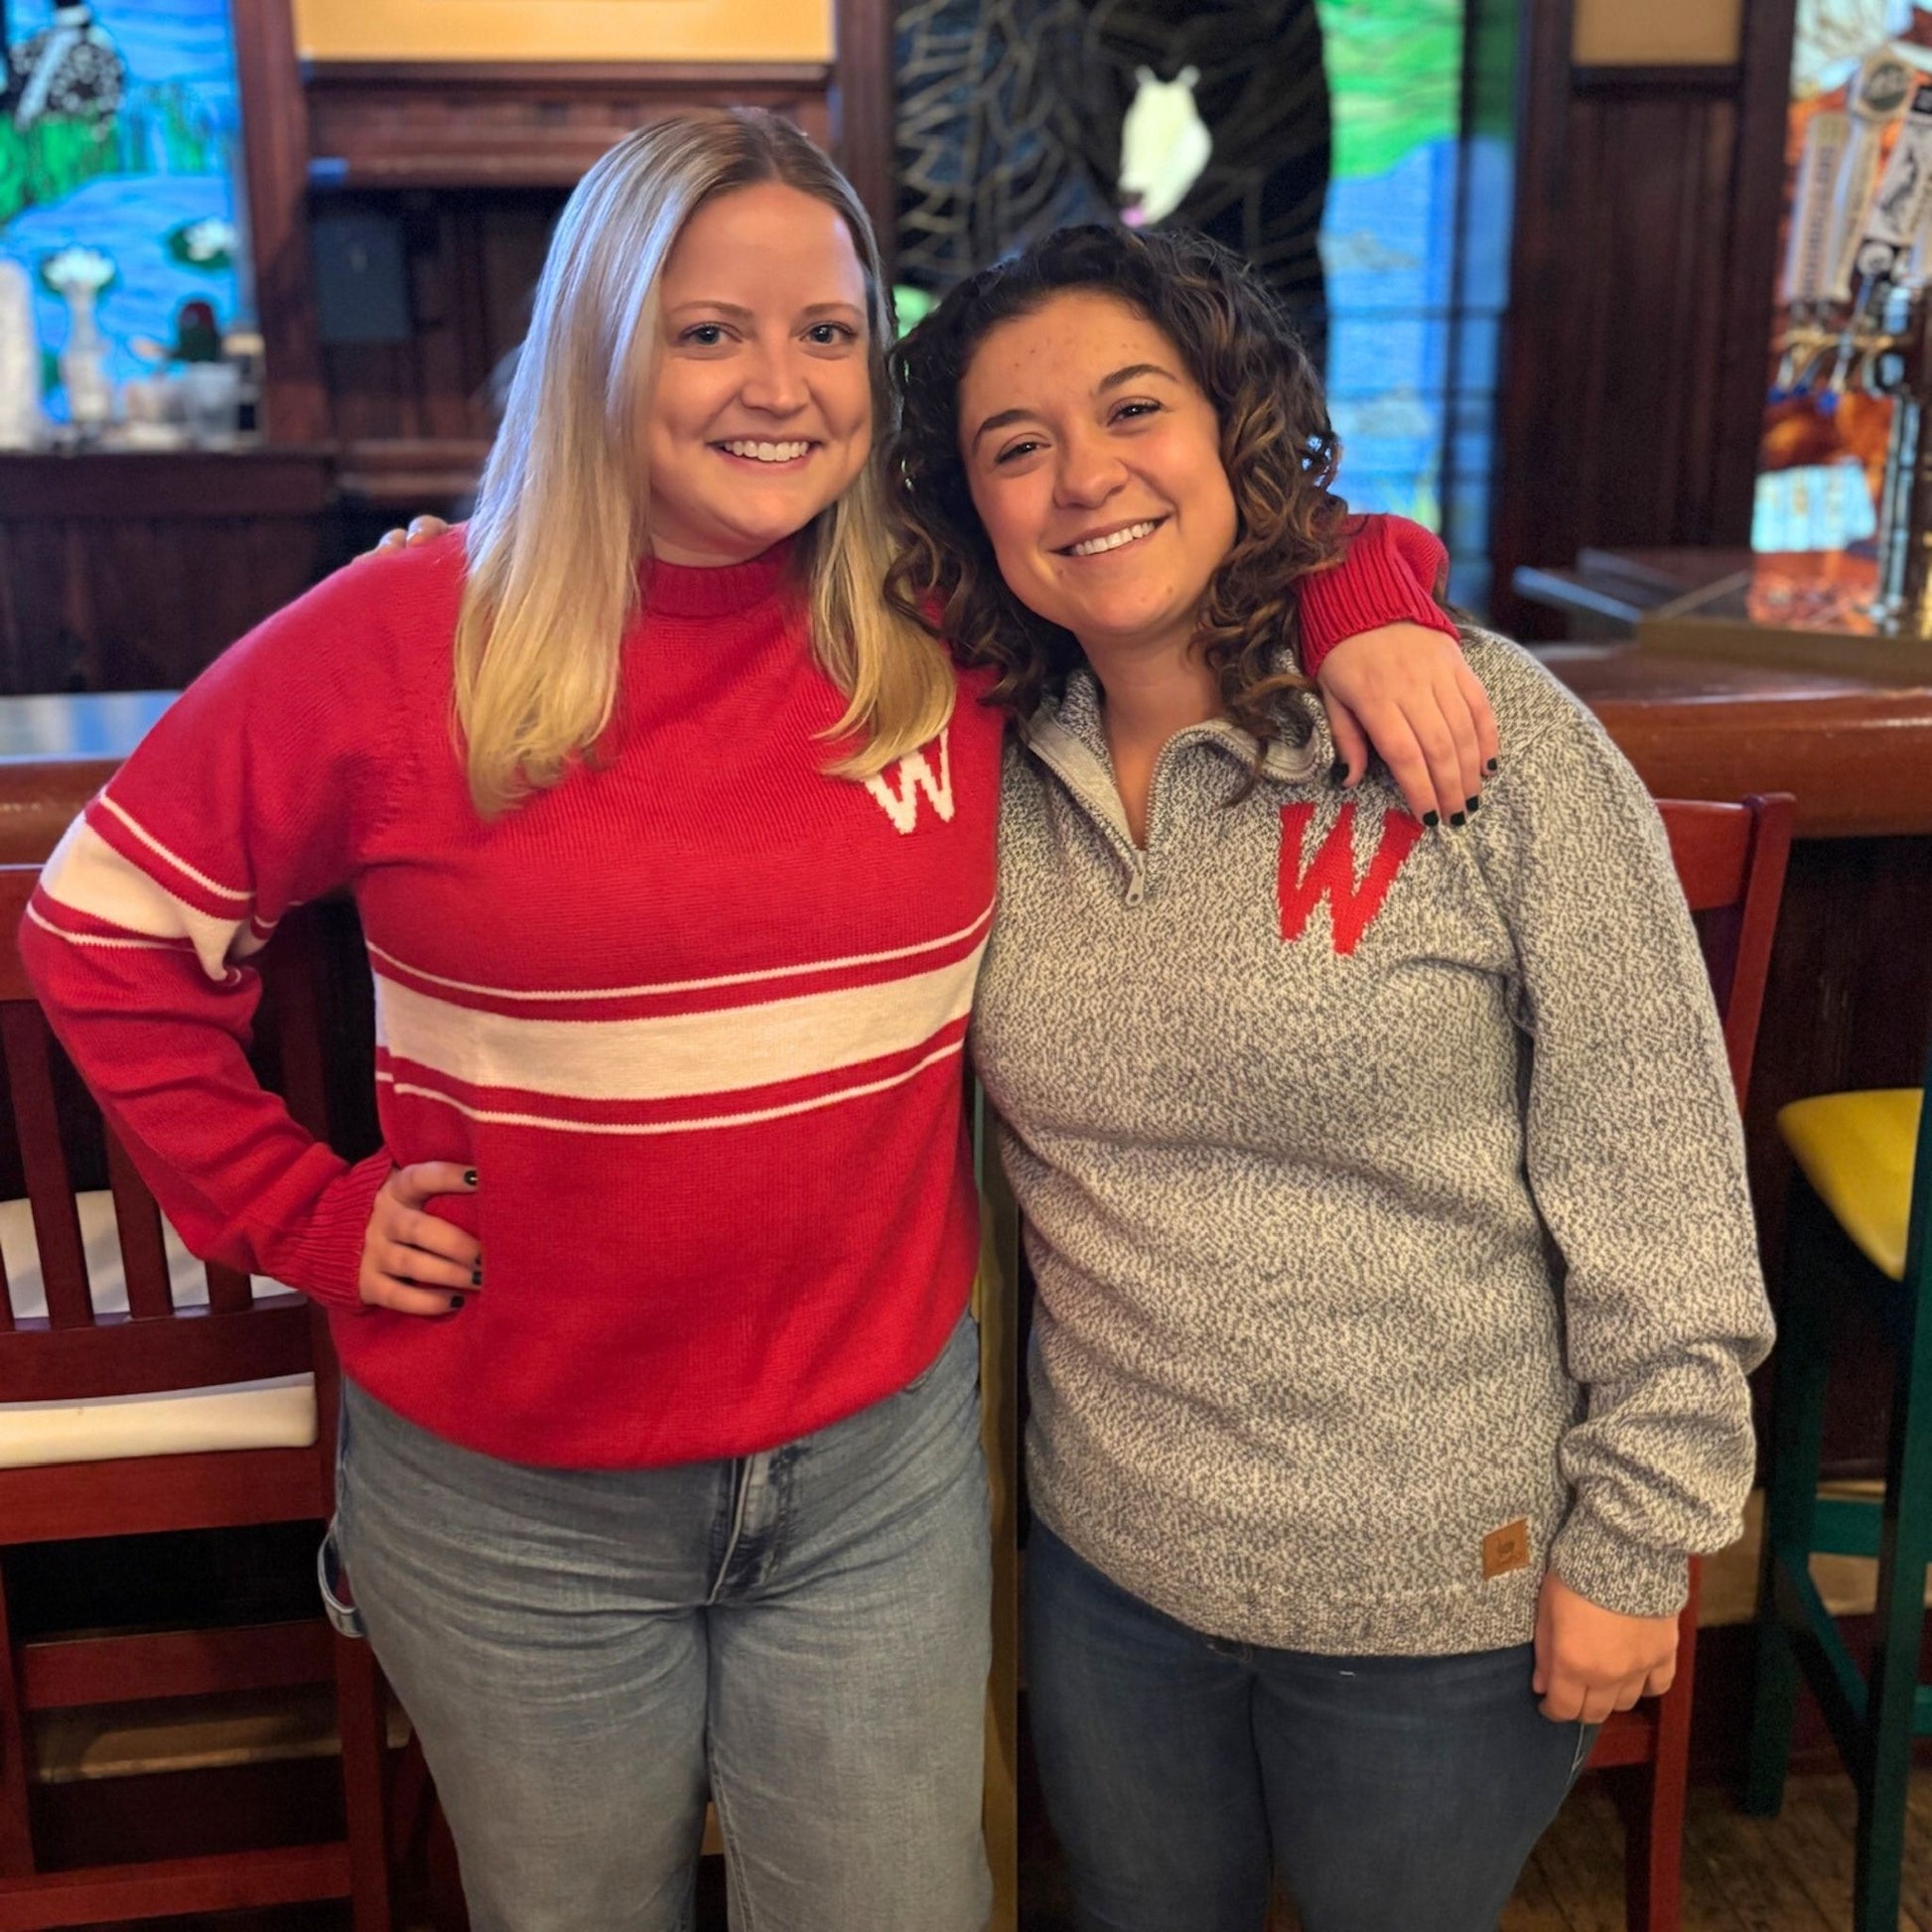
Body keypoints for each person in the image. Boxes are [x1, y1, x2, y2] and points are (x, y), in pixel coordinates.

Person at [19, 116, 1485, 1932]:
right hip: (511, 1495)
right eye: (708, 330)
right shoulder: (405, 635)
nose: (777, 386)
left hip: (875, 1465)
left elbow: (1184, 536)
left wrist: (1361, 603)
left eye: (827, 332)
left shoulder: (939, 613)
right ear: (600, 346)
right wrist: (295, 1210)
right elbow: (99, 930)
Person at [885, 221, 1776, 1932]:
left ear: (1235, 429)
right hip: (1111, 1571)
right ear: (972, 508)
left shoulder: (1464, 725)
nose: (1084, 479)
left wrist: (1637, 1532)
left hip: (1446, 1580)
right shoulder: (974, 765)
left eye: (1135, 409)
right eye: (1016, 447)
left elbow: (1652, 1152)